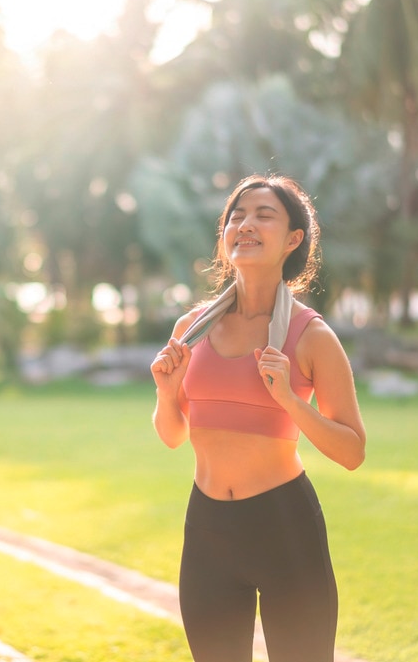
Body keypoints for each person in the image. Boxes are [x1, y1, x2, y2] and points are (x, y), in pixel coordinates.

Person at [150, 174, 366, 662]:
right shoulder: (193, 329)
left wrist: (290, 400)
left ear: (293, 240)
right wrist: (167, 394)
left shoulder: (312, 336)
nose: (245, 224)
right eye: (236, 215)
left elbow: (353, 451)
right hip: (207, 528)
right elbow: (172, 436)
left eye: (263, 214)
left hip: (284, 527)